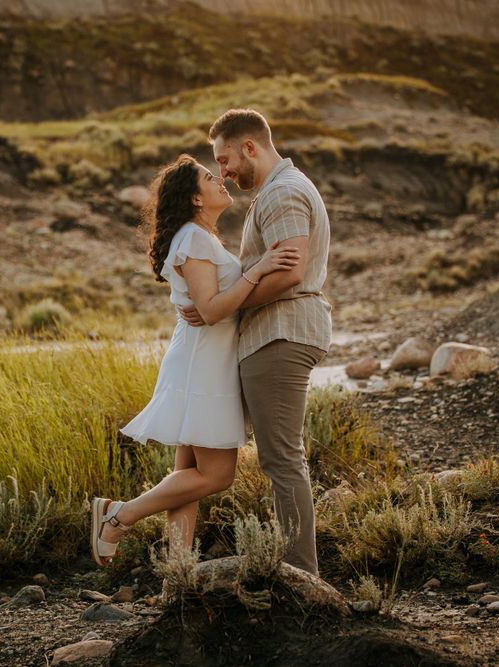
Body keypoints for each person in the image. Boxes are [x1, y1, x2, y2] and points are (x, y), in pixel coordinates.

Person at [90, 154, 300, 566]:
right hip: (203, 365)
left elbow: (208, 307)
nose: (220, 178)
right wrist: (257, 272)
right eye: (209, 176)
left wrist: (239, 281)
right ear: (195, 198)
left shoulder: (200, 236)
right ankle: (118, 515)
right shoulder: (195, 238)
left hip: (204, 357)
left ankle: (177, 574)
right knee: (217, 476)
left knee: (187, 477)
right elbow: (210, 309)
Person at [181, 109, 331, 577]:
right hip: (275, 333)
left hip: (280, 332)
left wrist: (228, 302)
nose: (223, 172)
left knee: (282, 458)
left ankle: (301, 573)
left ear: (250, 147)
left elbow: (290, 270)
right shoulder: (277, 191)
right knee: (207, 450)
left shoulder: (282, 192)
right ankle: (173, 557)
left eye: (224, 160)